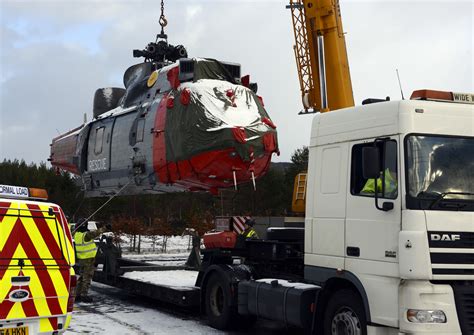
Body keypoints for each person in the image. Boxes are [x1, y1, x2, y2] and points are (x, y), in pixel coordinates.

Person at [73, 219, 110, 303]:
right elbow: (95, 233)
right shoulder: (85, 235)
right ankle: (84, 295)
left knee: (82, 277)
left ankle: (77, 294)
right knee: (87, 277)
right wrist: (105, 228)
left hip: (82, 259)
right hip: (88, 259)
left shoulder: (77, 234)